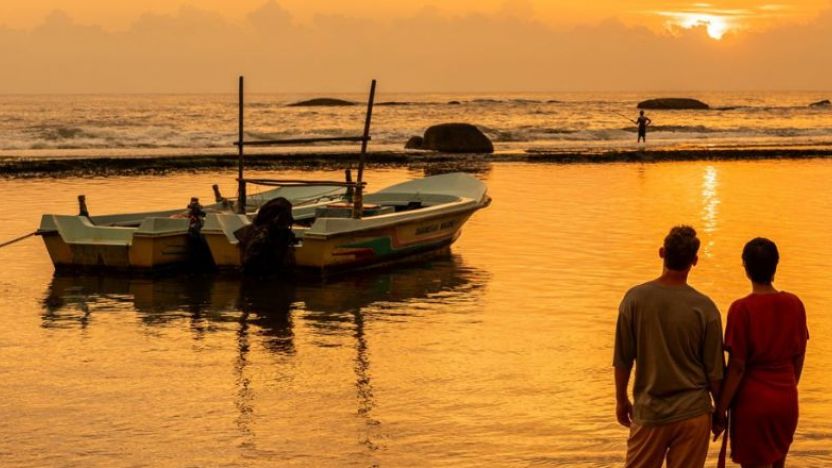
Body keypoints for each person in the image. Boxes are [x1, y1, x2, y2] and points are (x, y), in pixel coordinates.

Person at [613, 225, 724, 468]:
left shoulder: (635, 299)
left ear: (662, 252)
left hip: (651, 412)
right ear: (694, 261)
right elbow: (715, 372)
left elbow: (623, 358)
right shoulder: (705, 308)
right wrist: (720, 411)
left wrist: (621, 399)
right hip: (694, 413)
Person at [713, 238, 809, 468]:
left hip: (753, 403)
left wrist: (721, 409)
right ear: (776, 265)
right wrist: (787, 387)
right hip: (786, 400)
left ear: (746, 268)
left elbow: (737, 367)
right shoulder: (795, 304)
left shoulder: (741, 309)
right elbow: (799, 357)